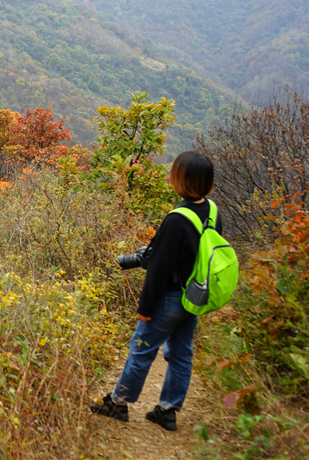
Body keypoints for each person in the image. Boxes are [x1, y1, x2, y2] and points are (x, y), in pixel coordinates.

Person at [91, 150, 221, 432]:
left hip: (169, 299)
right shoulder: (212, 211)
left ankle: (118, 403)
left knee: (141, 350)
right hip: (194, 296)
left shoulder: (177, 219)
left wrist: (145, 307)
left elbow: (159, 269)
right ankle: (167, 410)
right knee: (181, 353)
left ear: (181, 179)